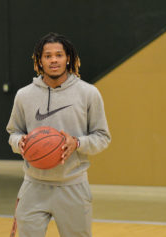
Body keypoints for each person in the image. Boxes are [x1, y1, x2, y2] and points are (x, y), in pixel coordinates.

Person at [6, 32, 111, 237]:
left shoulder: (88, 93)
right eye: (48, 56)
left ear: (68, 58)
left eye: (59, 55)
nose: (54, 60)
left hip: (72, 186)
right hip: (33, 185)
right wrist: (21, 142)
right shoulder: (24, 95)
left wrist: (77, 143)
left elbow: (102, 137)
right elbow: (13, 132)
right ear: (40, 60)